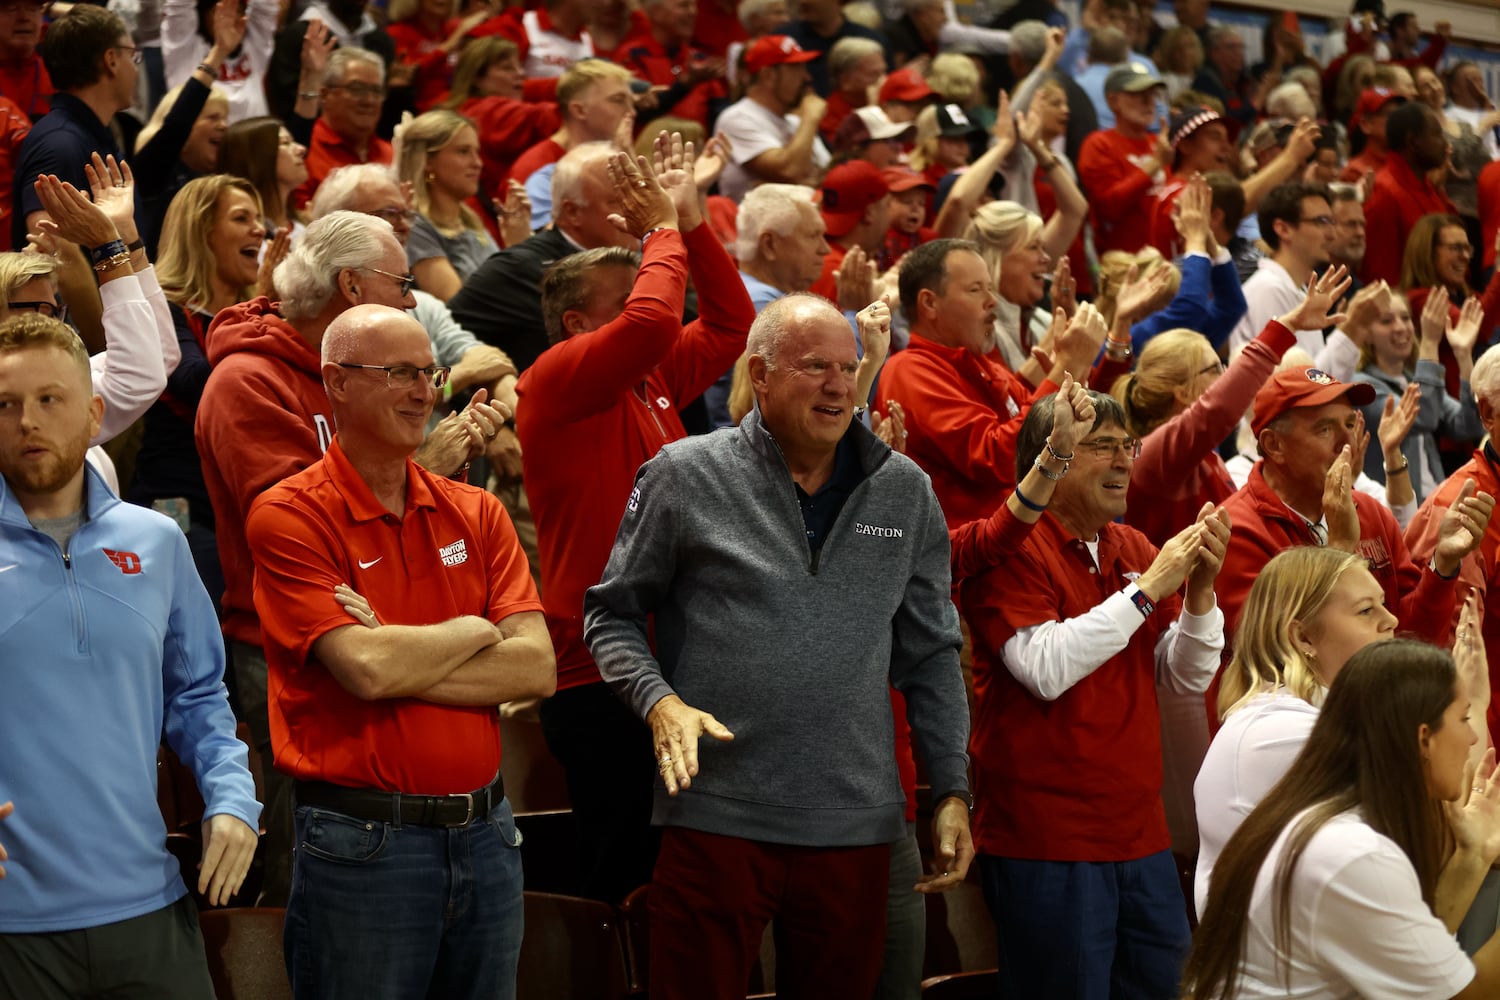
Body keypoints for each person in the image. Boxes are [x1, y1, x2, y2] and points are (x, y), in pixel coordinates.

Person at [583, 291, 973, 1000]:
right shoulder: (683, 473)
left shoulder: (905, 490)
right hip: (715, 815)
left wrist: (950, 787)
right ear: (759, 375)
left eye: (849, 368)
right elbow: (609, 616)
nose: (838, 386)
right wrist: (659, 702)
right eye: (815, 366)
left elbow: (932, 653)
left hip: (855, 824)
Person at [197, 210, 507, 906]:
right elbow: (289, 530)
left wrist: (435, 471)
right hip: (290, 645)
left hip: (404, 619)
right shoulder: (247, 380)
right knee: (313, 865)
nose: (411, 297)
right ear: (349, 285)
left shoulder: (376, 386)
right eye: (400, 282)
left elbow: (534, 665)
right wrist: (425, 461)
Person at [245, 303, 554, 999]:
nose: (423, 393)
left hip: (488, 835)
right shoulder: (289, 515)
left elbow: (536, 665)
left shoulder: (477, 511)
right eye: (400, 374)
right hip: (364, 844)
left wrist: (390, 646)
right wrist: (476, 630)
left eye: (429, 374)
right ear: (338, 383)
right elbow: (366, 668)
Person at [519, 136, 752, 903]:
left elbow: (728, 322)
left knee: (685, 882)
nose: (648, 304)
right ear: (576, 324)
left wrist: (690, 220)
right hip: (598, 675)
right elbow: (655, 322)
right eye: (624, 300)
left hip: (675, 658)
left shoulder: (649, 383)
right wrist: (660, 232)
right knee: (623, 883)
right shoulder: (554, 382)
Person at [0, 312, 260, 997]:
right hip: (10, 925)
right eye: (5, 404)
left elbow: (200, 697)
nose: (27, 421)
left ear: (92, 414)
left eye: (49, 400)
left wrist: (232, 798)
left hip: (148, 906)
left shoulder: (157, 542)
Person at [960, 387, 1231, 998]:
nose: (1122, 461)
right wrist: (1150, 589)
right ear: (1048, 459)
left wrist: (1200, 596)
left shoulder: (1131, 546)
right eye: (1099, 446)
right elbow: (1046, 668)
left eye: (1126, 446)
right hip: (1047, 838)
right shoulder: (1007, 548)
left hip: (1140, 832)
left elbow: (1182, 677)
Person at [1182, 639, 1500, 999]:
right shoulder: (1353, 853)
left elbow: (1412, 969)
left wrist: (1474, 856)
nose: (1473, 735)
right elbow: (1464, 996)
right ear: (1423, 739)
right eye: (1462, 719)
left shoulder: (1327, 818)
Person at [1193, 546, 1409, 915]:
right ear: (1304, 638)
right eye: (1366, 610)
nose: (1391, 620)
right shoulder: (1282, 733)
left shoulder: (1310, 717)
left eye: (1384, 604)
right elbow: (1431, 826)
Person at [1215, 364, 1489, 649]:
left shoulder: (1371, 512)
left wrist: (1442, 565)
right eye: (1324, 429)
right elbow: (1277, 655)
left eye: (1349, 424)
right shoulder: (1236, 531)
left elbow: (1413, 640)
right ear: (1274, 445)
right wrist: (1340, 548)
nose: (1348, 442)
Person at [1115, 265, 1347, 550]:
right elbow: (1217, 410)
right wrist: (1287, 326)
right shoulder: (1153, 457)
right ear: (1184, 391)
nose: (1226, 376)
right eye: (1216, 368)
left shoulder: (1202, 456)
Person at [879, 237, 1105, 528]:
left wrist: (1068, 380)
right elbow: (1001, 459)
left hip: (1024, 539)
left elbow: (1041, 428)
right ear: (929, 303)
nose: (992, 301)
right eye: (976, 290)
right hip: (971, 561)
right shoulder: (909, 370)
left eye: (990, 287)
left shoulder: (979, 361)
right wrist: (1066, 367)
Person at [129, 174, 266, 610]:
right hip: (181, 509)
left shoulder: (259, 315)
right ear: (201, 232)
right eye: (242, 218)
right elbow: (198, 383)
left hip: (245, 507)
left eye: (260, 219)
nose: (259, 230)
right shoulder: (166, 310)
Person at [1354, 287, 1484, 502]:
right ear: (1366, 333)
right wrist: (1430, 342)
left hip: (1434, 502)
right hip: (1398, 511)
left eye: (1405, 318)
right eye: (1386, 321)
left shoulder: (1413, 381)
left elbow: (1469, 424)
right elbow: (1424, 417)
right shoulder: (1363, 386)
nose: (1400, 328)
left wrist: (1463, 355)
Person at [507, 58, 633, 231]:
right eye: (618, 100)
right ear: (579, 110)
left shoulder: (622, 156)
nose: (631, 112)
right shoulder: (535, 167)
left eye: (631, 102)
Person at [394, 109, 499, 300]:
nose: (478, 163)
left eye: (477, 152)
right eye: (463, 151)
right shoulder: (415, 226)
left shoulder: (470, 220)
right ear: (427, 161)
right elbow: (457, 305)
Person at [713, 34, 829, 203]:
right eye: (797, 68)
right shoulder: (736, 118)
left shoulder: (795, 122)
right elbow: (790, 170)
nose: (807, 77)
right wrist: (810, 119)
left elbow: (827, 175)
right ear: (768, 75)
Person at [1076, 63, 1169, 256]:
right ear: (1113, 101)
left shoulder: (1158, 143)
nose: (1148, 101)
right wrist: (1154, 164)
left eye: (1152, 94)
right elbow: (1108, 207)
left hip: (1166, 260)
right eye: (1137, 94)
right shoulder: (1099, 144)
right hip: (1123, 264)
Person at [1363, 101, 1456, 286]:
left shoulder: (1431, 188)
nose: (1446, 145)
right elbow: (1381, 275)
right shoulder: (1384, 191)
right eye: (1437, 135)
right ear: (1413, 141)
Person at [293, 47, 393, 210]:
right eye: (356, 89)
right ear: (325, 95)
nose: (368, 100)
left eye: (376, 91)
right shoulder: (302, 151)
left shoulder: (392, 154)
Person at [616, 0, 726, 129]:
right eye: (683, 5)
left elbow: (720, 111)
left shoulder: (699, 58)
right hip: (649, 146)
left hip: (697, 146)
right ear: (656, 12)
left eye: (693, 5)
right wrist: (685, 85)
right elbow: (641, 112)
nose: (693, 12)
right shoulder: (632, 56)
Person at [162, 0, 278, 122]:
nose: (232, 18)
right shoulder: (184, 50)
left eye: (238, 11)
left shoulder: (254, 48)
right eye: (219, 11)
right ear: (203, 15)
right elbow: (179, 8)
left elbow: (266, 8)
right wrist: (221, 49)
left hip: (256, 139)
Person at [217, 115, 308, 242]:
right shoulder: (247, 239)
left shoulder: (306, 225)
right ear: (258, 158)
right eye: (286, 143)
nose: (301, 149)